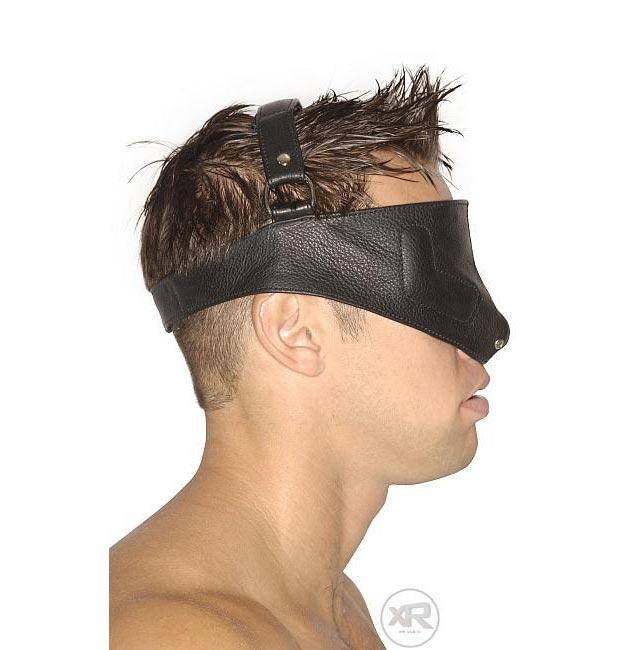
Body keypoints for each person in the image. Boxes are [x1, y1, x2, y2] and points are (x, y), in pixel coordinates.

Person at [110, 64, 493, 649]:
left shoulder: (332, 612)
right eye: (434, 286)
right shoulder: (177, 636)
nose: (481, 337)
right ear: (295, 332)